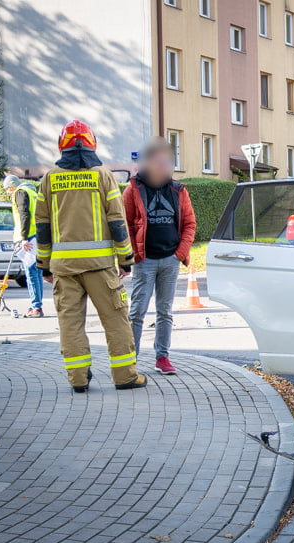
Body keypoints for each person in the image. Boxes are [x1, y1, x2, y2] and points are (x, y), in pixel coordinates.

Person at [35, 120, 146, 392]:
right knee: (116, 320)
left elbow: (42, 226)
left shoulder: (50, 178)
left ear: (62, 145)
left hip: (64, 268)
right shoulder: (103, 175)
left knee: (70, 324)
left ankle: (78, 380)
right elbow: (117, 221)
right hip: (100, 267)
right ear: (91, 142)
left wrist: (44, 266)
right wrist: (125, 261)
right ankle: (125, 377)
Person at [123, 137, 196, 375]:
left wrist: (179, 254)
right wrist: (135, 255)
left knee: (165, 311)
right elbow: (124, 224)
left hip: (170, 260)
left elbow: (189, 224)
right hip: (145, 261)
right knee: (137, 312)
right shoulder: (134, 188)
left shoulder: (178, 190)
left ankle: (162, 357)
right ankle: (130, 359)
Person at [3, 174, 44, 317]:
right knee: (37, 272)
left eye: (7, 189)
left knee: (31, 273)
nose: (8, 192)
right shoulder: (33, 192)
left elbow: (24, 216)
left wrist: (24, 239)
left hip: (30, 238)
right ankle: (37, 305)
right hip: (37, 236)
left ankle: (36, 308)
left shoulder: (20, 193)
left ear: (13, 186)